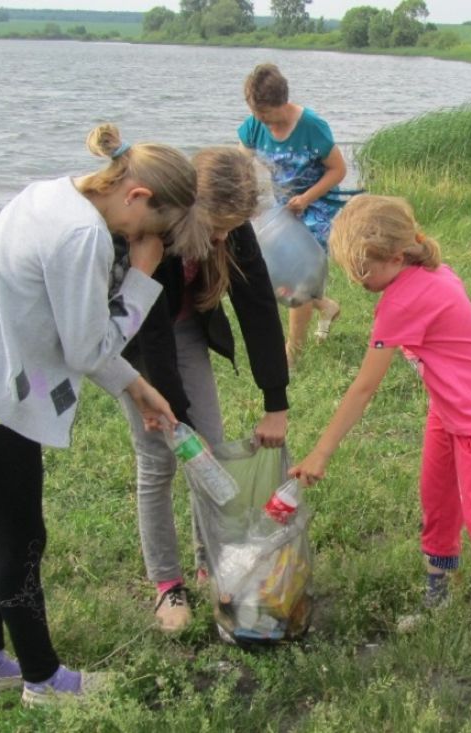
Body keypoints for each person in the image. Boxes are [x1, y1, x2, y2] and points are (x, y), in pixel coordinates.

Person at [0, 124, 203, 706]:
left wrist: (140, 388)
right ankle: (44, 680)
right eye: (150, 230)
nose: (140, 241)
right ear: (137, 196)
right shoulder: (84, 236)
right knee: (23, 537)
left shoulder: (46, 193)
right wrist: (144, 278)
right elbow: (88, 347)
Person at [290, 195, 471, 683]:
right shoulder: (432, 273)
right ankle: (438, 592)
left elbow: (363, 389)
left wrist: (321, 451)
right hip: (447, 409)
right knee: (437, 498)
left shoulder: (402, 301)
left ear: (397, 257)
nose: (360, 284)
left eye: (365, 272)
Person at [116, 147, 290, 632]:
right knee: (161, 455)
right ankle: (167, 584)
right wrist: (164, 409)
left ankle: (210, 558)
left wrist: (276, 402)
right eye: (215, 227)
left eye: (231, 229)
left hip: (186, 326)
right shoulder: (156, 228)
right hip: (133, 340)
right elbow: (145, 330)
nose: (221, 237)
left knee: (206, 448)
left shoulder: (232, 228)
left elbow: (258, 305)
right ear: (190, 207)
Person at [238, 62, 348, 369]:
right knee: (275, 274)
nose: (262, 123)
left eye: (266, 115)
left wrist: (307, 197)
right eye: (256, 115)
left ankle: (293, 351)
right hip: (281, 210)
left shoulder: (312, 126)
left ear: (282, 103)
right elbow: (241, 167)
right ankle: (325, 306)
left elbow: (338, 170)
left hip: (316, 208)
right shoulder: (253, 125)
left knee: (297, 279)